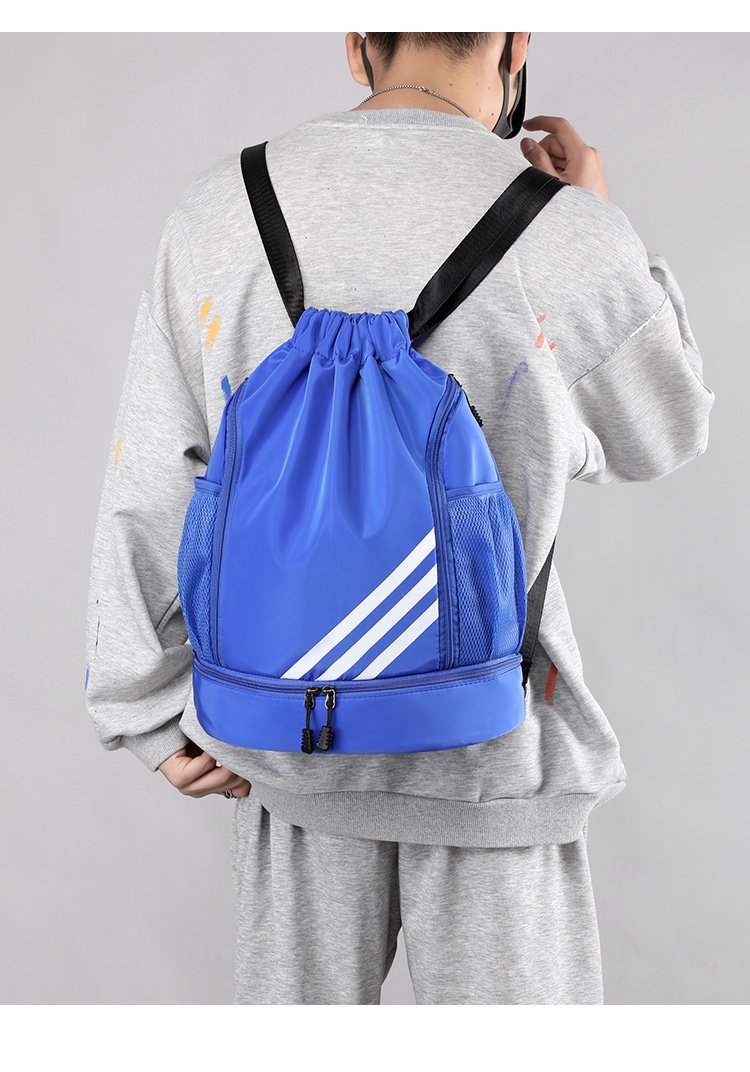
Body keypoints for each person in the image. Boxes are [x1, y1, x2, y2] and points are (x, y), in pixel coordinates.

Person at [84, 32, 714, 1005]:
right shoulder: (567, 233)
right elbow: (663, 429)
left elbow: (151, 476)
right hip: (497, 763)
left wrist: (143, 707)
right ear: (515, 42)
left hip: (287, 747)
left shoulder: (217, 210)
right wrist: (600, 223)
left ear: (357, 46)